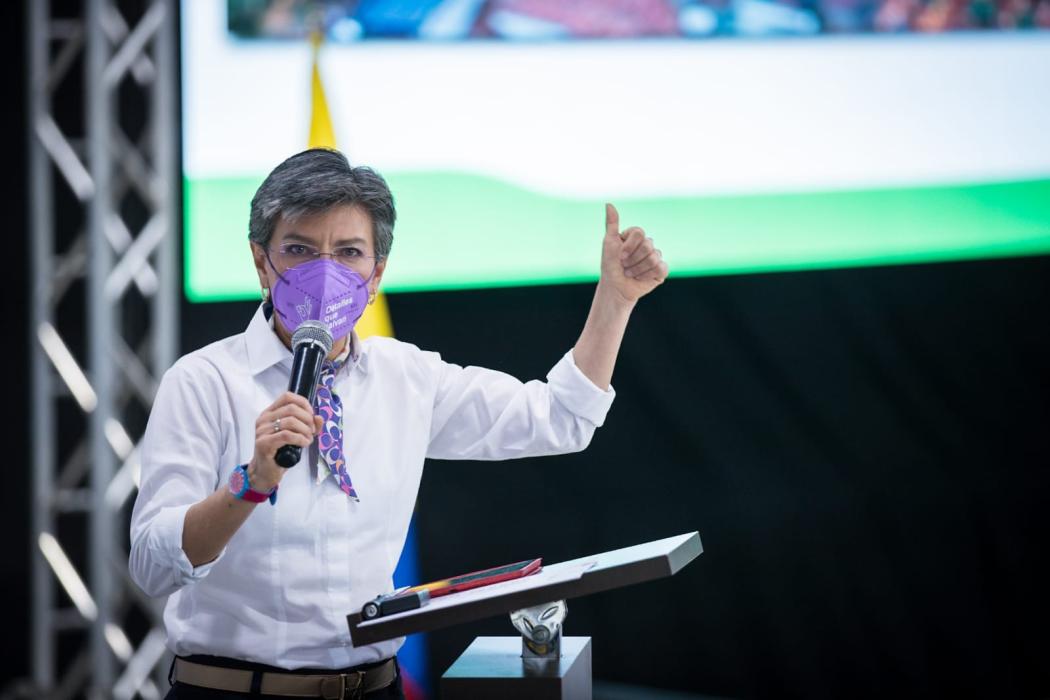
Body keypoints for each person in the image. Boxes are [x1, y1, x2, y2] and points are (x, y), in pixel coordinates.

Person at [129, 148, 669, 699]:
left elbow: (559, 419)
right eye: (298, 250)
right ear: (260, 262)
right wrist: (250, 485)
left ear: (377, 273)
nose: (324, 273)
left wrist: (616, 300)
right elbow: (151, 565)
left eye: (348, 253)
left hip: (374, 689)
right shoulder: (202, 382)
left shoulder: (406, 377)